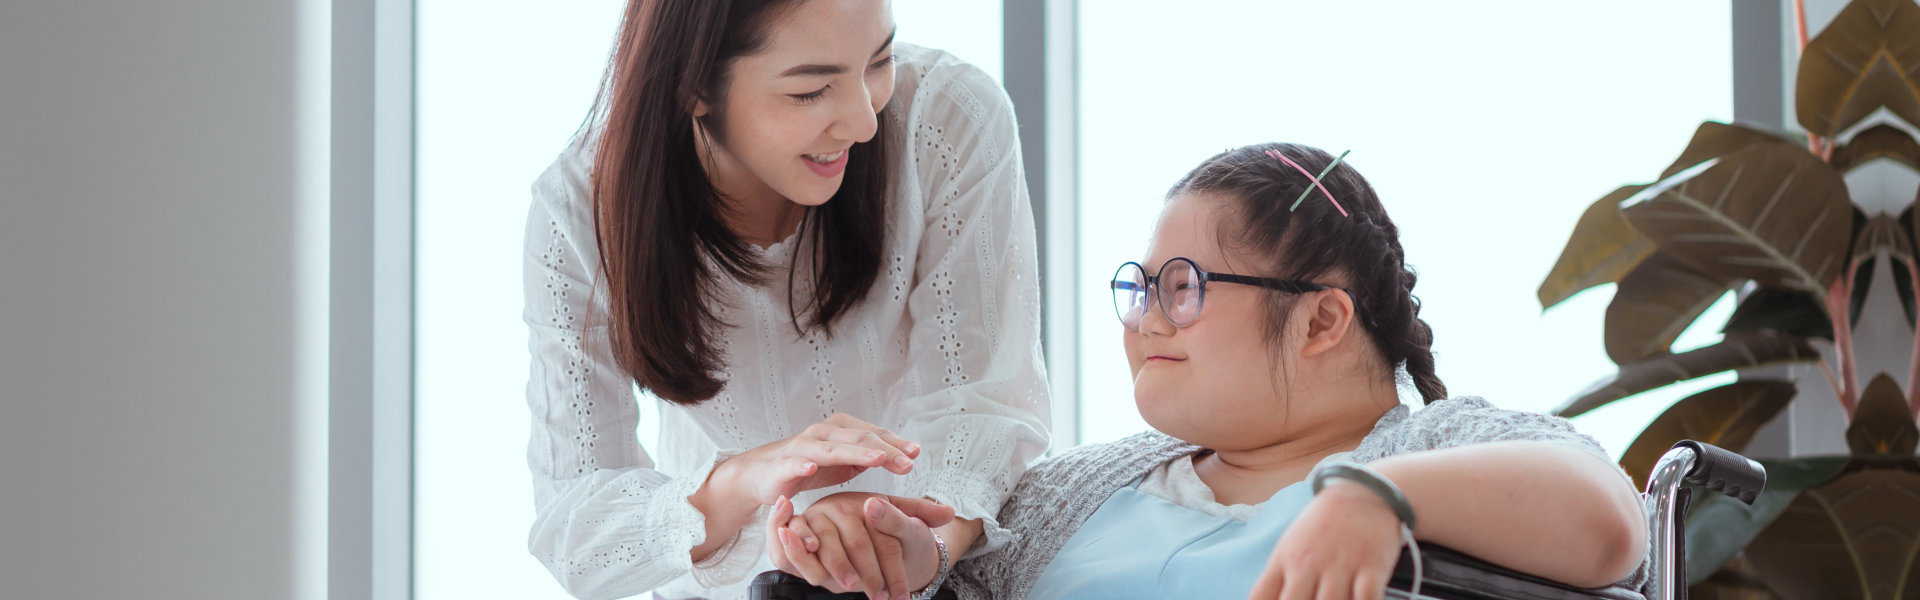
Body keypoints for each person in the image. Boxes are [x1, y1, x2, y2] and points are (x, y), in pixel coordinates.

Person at [933, 143, 1649, 599]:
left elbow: (1613, 524)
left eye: (1184, 286)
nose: (1146, 317)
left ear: (1321, 321)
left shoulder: (1429, 450)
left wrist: (1378, 496)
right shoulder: (1067, 492)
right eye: (1140, 287)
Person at [521, 1, 1049, 598]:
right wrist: (747, 479)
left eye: (880, 60)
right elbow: (574, 526)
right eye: (811, 91)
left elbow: (983, 407)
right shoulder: (580, 209)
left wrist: (912, 545)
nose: (864, 122)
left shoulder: (949, 120)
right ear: (693, 85)